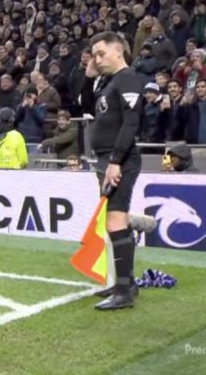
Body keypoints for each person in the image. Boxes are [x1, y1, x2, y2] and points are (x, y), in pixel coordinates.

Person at [88, 31, 144, 310]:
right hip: (108, 158)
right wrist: (94, 65)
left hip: (120, 159)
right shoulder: (110, 82)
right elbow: (89, 89)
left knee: (115, 222)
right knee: (114, 221)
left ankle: (124, 291)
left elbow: (131, 124)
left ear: (118, 51)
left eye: (101, 53)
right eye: (94, 55)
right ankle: (127, 283)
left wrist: (115, 161)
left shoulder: (128, 78)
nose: (97, 60)